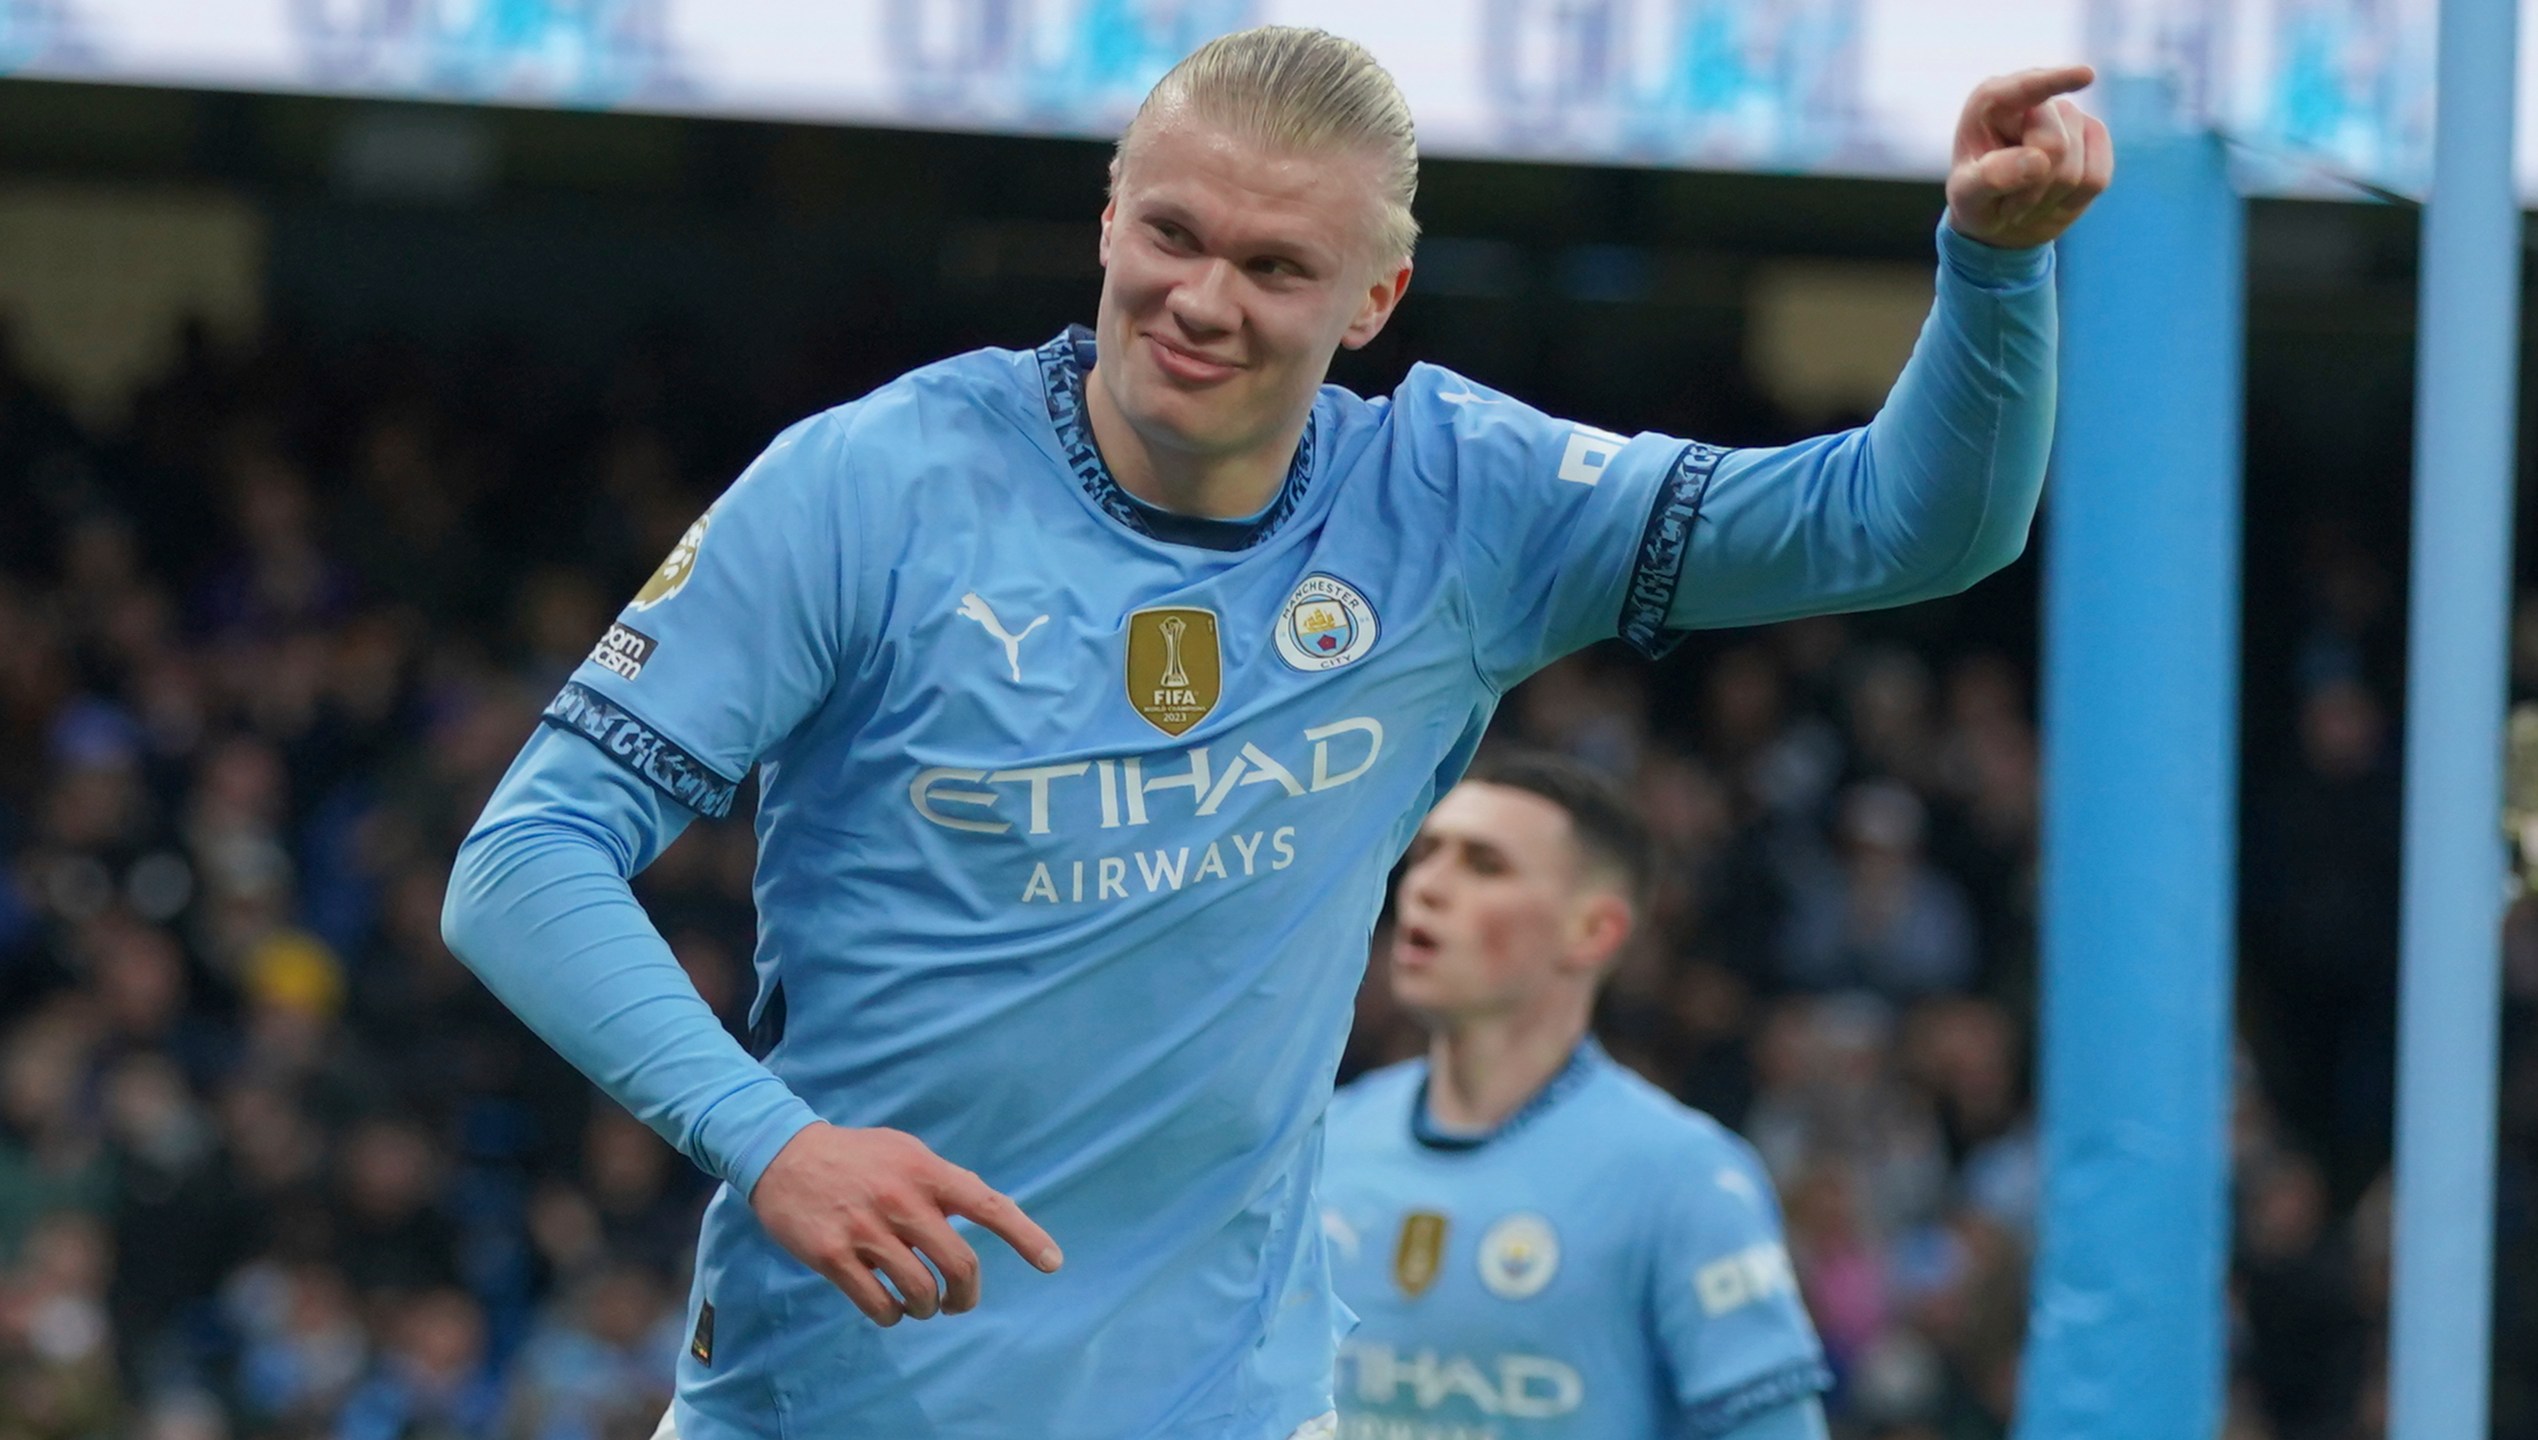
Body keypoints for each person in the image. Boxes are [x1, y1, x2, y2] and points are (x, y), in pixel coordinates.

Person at [439, 23, 2109, 1440]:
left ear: (1373, 295)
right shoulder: (871, 487)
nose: (1199, 301)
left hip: (1227, 1404)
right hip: (839, 1397)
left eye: (1273, 267)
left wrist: (1994, 264)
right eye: (1168, 235)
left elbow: (1909, 529)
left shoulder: (1459, 504)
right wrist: (770, 1140)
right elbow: (523, 858)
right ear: (1103, 216)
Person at [1323, 754, 1830, 1439]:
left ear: (1593, 931)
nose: (1426, 887)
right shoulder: (1327, 1144)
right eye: (1427, 853)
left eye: (1484, 865)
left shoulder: (1682, 1175)